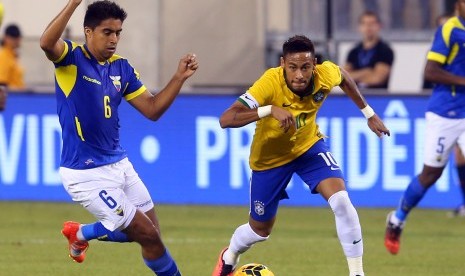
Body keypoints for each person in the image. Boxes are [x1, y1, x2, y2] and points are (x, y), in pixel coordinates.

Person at [39, 0, 198, 275]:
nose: (114, 39)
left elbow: (152, 110)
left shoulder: (121, 68)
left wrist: (178, 78)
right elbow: (45, 43)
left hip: (120, 164)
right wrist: (74, 3)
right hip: (85, 173)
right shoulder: (71, 59)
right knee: (147, 235)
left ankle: (81, 233)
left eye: (118, 32)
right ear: (88, 32)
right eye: (107, 32)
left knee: (152, 235)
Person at [212, 35, 390, 276]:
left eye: (305, 67)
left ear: (314, 64)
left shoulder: (324, 75)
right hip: (269, 160)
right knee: (259, 231)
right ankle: (230, 255)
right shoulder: (269, 82)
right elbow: (226, 119)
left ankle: (357, 273)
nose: (299, 75)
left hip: (308, 147)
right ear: (283, 63)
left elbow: (344, 77)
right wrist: (268, 110)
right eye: (293, 67)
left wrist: (369, 113)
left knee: (341, 201)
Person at [384, 0, 465, 255]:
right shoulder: (450, 30)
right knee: (431, 174)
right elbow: (430, 71)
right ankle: (397, 219)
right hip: (444, 113)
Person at [344, 11, 394, 89]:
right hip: (355, 96)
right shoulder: (353, 51)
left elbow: (377, 79)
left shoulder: (385, 51)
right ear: (359, 27)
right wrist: (366, 72)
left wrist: (354, 76)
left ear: (379, 26)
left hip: (377, 96)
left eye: (372, 24)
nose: (368, 27)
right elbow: (344, 78)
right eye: (365, 24)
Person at [0, 23, 25, 90]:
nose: (17, 40)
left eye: (18, 36)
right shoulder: (3, 56)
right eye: (14, 37)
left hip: (16, 96)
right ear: (6, 38)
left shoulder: (12, 56)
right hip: (11, 97)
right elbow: (2, 83)